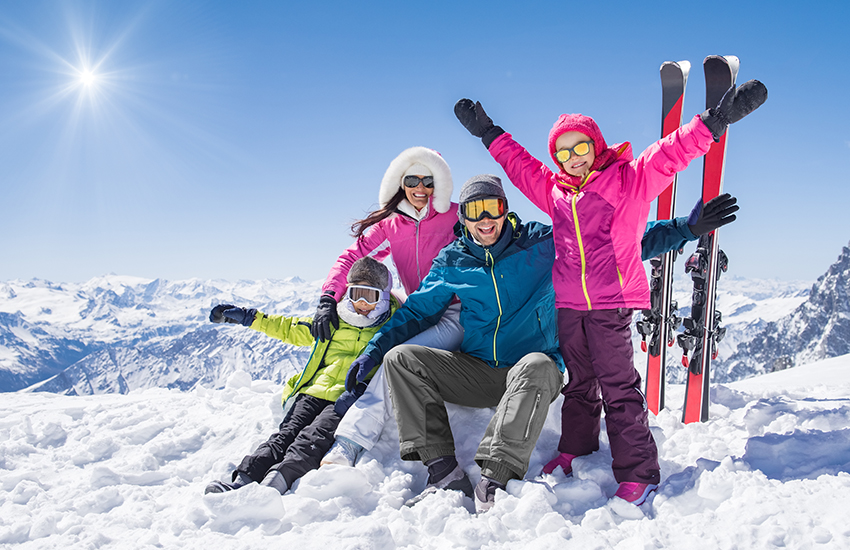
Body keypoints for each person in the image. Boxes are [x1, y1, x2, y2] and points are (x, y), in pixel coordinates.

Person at [454, 79, 766, 505]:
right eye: (563, 152)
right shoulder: (555, 192)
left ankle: (639, 470)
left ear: (596, 145)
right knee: (580, 383)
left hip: (612, 304)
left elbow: (671, 153)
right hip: (569, 304)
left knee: (618, 387)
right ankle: (577, 447)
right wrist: (489, 132)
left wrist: (716, 120)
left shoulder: (629, 179)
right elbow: (520, 165)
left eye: (580, 147)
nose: (573, 158)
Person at [344, 174, 564, 514]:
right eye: (475, 210)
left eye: (492, 207)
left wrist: (661, 234)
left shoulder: (540, 242)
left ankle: (495, 480)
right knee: (401, 359)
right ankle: (444, 472)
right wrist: (374, 350)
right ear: (463, 217)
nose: (485, 219)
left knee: (537, 364)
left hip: (531, 374)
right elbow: (417, 312)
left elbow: (607, 240)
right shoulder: (454, 260)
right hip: (479, 371)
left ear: (505, 209)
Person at [314, 146, 466, 467]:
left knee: (395, 359)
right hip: (418, 309)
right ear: (400, 182)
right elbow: (352, 257)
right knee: (377, 336)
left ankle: (350, 442)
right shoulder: (391, 225)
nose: (420, 188)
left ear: (439, 182)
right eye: (412, 180)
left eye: (428, 180)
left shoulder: (456, 216)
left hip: (455, 311)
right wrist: (329, 296)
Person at [203, 257, 399, 495]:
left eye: (370, 296)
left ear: (383, 296)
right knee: (285, 435)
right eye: (356, 294)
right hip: (312, 392)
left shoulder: (391, 327)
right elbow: (289, 328)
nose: (361, 303)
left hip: (345, 398)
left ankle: (275, 484)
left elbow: (393, 365)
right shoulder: (334, 320)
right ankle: (243, 480)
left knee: (312, 439)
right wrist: (249, 317)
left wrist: (363, 388)